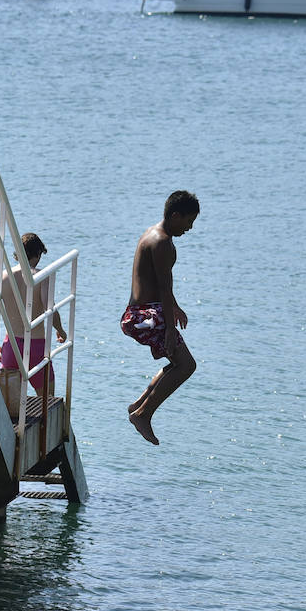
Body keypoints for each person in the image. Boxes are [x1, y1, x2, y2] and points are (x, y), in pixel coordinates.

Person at [121, 189, 199, 445]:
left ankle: (140, 404)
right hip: (146, 315)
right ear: (175, 215)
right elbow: (164, 288)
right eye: (188, 221)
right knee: (187, 366)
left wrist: (174, 307)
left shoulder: (152, 233)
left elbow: (159, 281)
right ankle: (143, 414)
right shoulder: (163, 242)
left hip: (138, 313)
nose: (190, 228)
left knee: (179, 364)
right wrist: (167, 330)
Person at [0, 232, 67, 397]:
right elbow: (50, 309)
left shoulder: (4, 277)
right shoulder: (41, 276)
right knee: (46, 404)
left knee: (11, 405)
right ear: (38, 253)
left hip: (11, 346)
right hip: (36, 347)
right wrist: (61, 331)